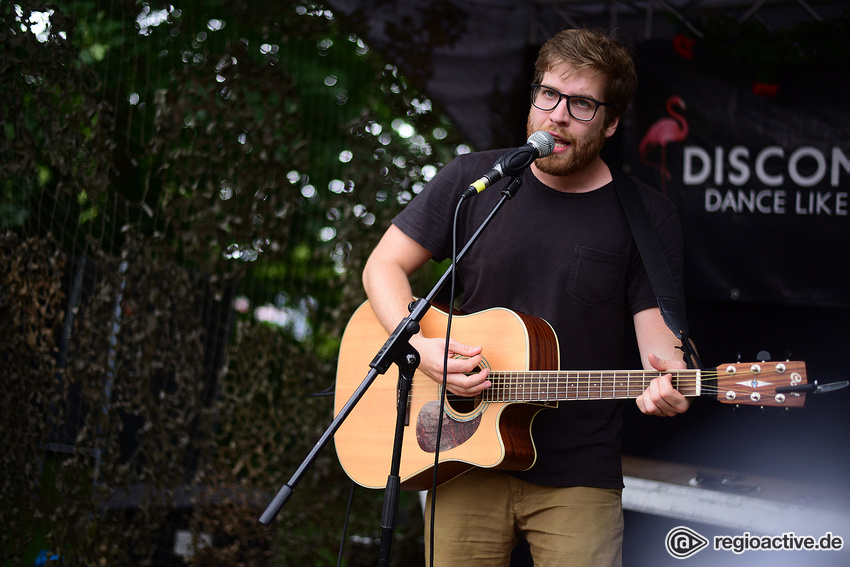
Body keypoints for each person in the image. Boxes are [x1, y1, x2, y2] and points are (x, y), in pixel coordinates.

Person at [361, 27, 691, 566]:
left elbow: (663, 347)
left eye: (581, 104)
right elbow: (384, 265)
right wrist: (418, 347)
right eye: (548, 95)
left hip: (578, 474)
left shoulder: (648, 218)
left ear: (610, 123)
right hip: (461, 456)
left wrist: (672, 384)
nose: (557, 115)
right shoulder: (475, 180)